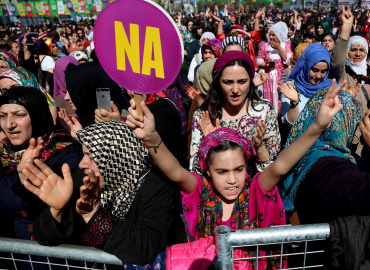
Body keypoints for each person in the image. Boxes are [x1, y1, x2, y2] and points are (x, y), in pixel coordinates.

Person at [126, 77, 348, 269]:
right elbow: (175, 171)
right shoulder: (201, 189)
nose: (232, 180)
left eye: (239, 169)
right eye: (222, 171)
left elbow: (281, 165)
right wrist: (152, 138)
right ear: (208, 171)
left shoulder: (254, 189)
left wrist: (317, 126)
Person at [23, 120, 186, 265]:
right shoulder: (82, 178)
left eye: (91, 156)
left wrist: (93, 214)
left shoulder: (156, 189)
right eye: (83, 154)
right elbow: (42, 237)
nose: (81, 164)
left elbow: (145, 249)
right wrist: (57, 211)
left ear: (116, 158)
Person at [282, 90, 370, 224]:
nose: (366, 117)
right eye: (352, 117)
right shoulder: (328, 168)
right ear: (342, 121)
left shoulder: (308, 151)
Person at [0, 87, 81, 241]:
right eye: (2, 116)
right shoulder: (4, 155)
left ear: (37, 114)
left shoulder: (67, 155)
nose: (9, 124)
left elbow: (64, 214)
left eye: (19, 115)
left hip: (53, 255)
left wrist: (25, 180)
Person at [189, 51, 280, 177]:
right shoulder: (204, 116)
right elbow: (195, 171)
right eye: (228, 82)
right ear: (218, 82)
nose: (236, 90)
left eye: (242, 81)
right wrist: (209, 144)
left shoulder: (264, 111)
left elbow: (272, 168)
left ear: (250, 81)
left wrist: (259, 148)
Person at [279, 43, 335, 130]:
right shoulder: (291, 87)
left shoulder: (332, 88)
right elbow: (288, 124)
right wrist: (295, 103)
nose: (318, 76)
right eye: (315, 70)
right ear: (306, 66)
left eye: (323, 71)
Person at [257, 22, 293, 113]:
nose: (271, 37)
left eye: (274, 35)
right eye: (270, 34)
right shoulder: (265, 45)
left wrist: (279, 48)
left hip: (282, 78)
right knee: (269, 99)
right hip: (268, 78)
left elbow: (289, 61)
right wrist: (265, 65)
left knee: (281, 99)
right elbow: (259, 59)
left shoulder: (287, 44)